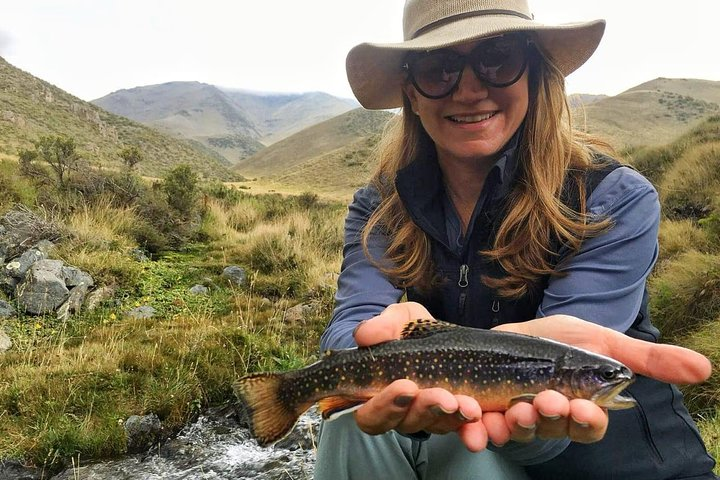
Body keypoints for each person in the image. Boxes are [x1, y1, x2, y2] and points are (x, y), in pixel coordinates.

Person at [315, 0, 718, 479]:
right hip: (471, 442)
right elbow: (351, 328)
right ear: (411, 91)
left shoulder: (614, 196)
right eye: (439, 68)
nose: (468, 89)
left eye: (497, 58)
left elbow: (562, 396)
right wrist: (387, 343)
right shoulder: (379, 206)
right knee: (351, 426)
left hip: (621, 464)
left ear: (534, 72)